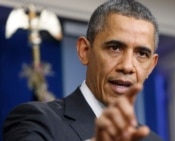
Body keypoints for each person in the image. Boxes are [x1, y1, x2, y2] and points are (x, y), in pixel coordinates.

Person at [3, 0, 162, 140]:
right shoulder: (35, 120)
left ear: (151, 66)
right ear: (85, 51)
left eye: (141, 53)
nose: (127, 66)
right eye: (115, 48)